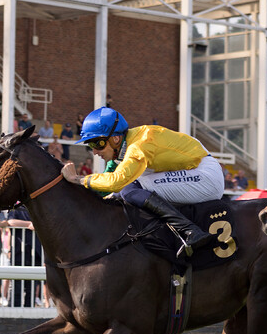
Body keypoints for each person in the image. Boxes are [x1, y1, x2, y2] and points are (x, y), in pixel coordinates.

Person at [61, 107, 224, 257]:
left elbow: (115, 183)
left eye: (98, 143)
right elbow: (103, 189)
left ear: (116, 139)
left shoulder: (138, 145)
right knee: (119, 193)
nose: (95, 151)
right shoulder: (120, 153)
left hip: (205, 175)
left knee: (128, 189)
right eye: (90, 145)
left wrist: (78, 179)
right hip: (194, 172)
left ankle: (191, 231)